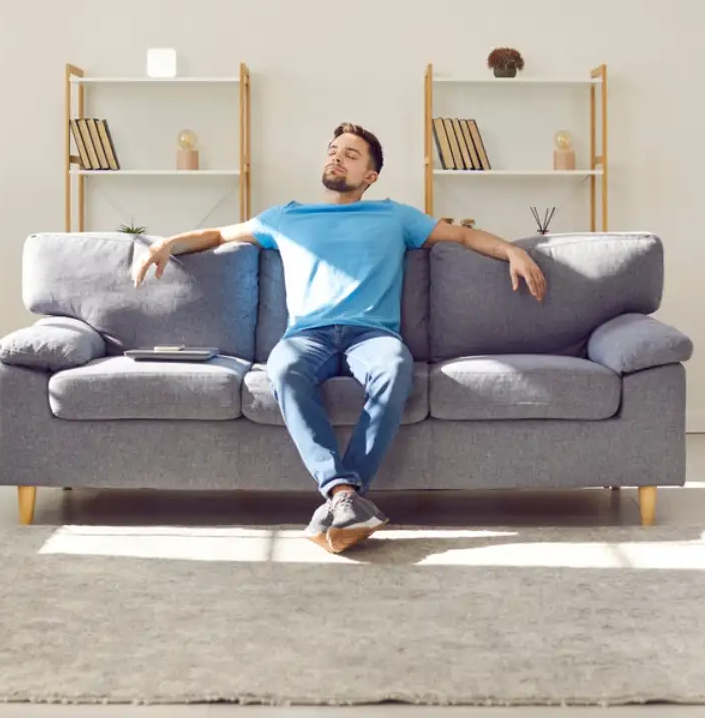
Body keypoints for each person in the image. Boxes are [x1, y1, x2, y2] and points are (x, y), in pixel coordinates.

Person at [131, 122, 546, 553]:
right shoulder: (286, 217)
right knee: (284, 368)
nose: (336, 157)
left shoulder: (395, 215)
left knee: (395, 367)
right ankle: (345, 496)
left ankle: (340, 494)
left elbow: (460, 235)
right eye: (333, 150)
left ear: (370, 175)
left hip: (373, 335)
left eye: (350, 154)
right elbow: (218, 235)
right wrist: (167, 244)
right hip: (307, 336)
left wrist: (513, 250)